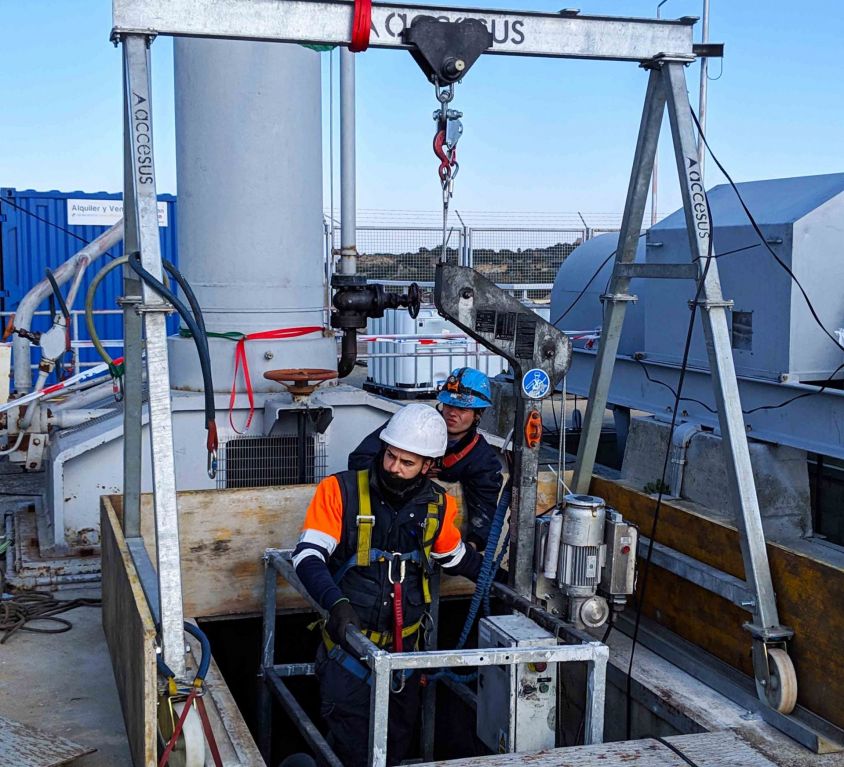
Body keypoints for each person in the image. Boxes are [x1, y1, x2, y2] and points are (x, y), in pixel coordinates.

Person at [293, 404, 483, 767]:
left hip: (404, 662)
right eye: (390, 456)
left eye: (407, 463)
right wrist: (336, 604)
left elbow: (456, 558)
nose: (394, 467)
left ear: (429, 466)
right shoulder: (340, 491)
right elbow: (307, 556)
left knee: (394, 749)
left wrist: (501, 582)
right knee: (352, 752)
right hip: (348, 657)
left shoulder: (438, 506)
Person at [349, 367, 503, 551]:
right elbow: (359, 460)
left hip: (434, 540)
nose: (452, 413)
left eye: (462, 408)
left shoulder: (482, 459)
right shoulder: (408, 423)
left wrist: (469, 548)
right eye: (449, 405)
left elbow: (484, 512)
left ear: (478, 414)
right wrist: (411, 474)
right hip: (382, 525)